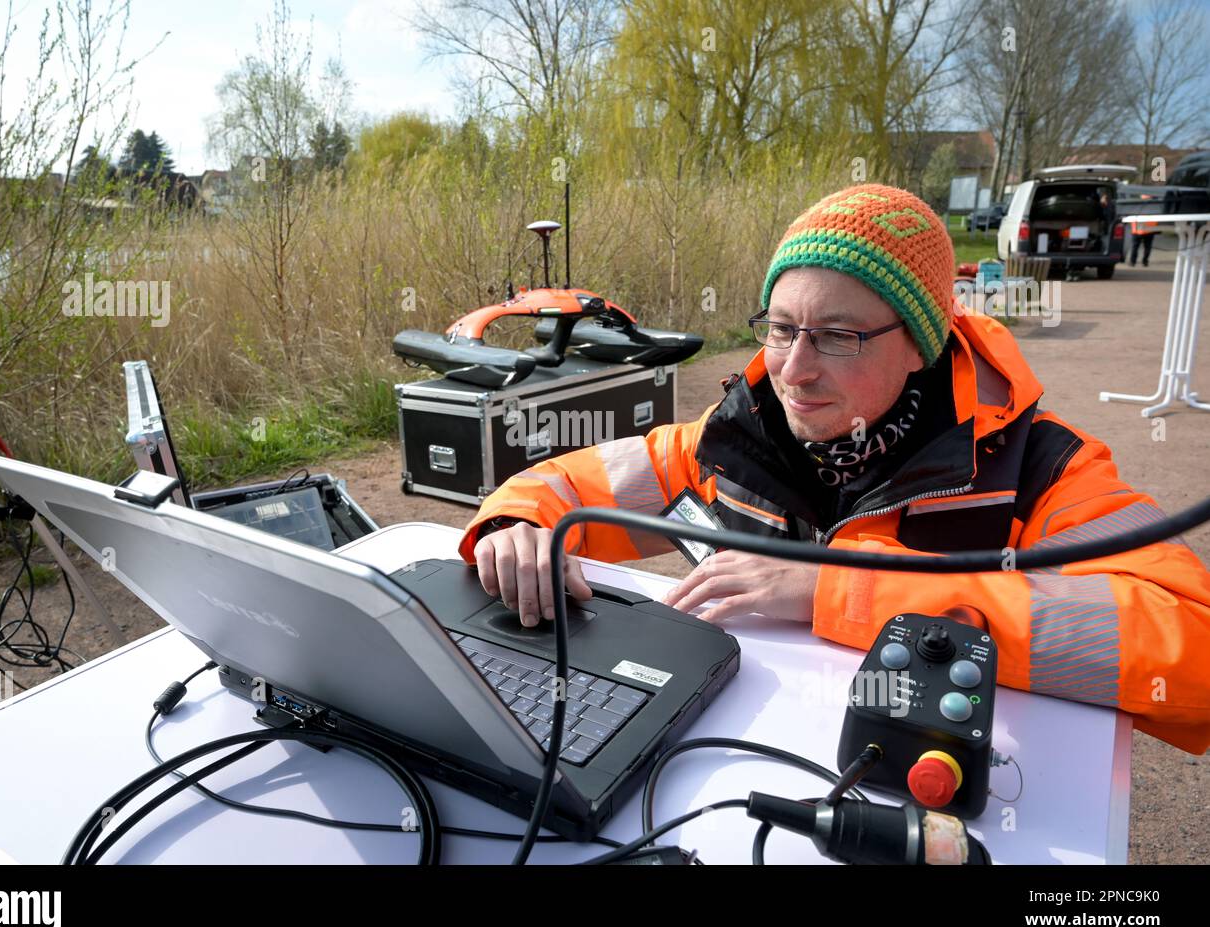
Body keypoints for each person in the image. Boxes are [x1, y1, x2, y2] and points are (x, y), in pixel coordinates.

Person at [457, 184, 1210, 754]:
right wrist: (516, 519)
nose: (793, 370)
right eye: (781, 329)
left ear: (922, 344)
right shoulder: (736, 441)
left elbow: (1191, 645)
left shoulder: (1041, 469)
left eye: (840, 337)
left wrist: (839, 591)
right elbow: (576, 481)